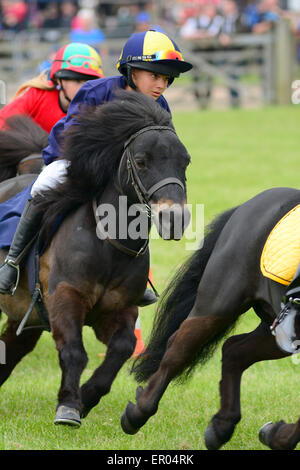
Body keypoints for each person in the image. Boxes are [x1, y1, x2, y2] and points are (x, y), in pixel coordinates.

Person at [0, 28, 193, 306]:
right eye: (155, 75)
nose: (161, 84)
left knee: (141, 195)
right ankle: (12, 263)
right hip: (72, 158)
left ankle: (134, 278)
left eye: (166, 78)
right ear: (132, 72)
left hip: (119, 172)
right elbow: (74, 139)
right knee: (44, 183)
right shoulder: (97, 91)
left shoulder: (160, 105)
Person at [0, 42, 104, 133]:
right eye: (77, 81)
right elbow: (3, 123)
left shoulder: (99, 109)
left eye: (90, 82)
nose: (85, 88)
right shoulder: (37, 95)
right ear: (59, 80)